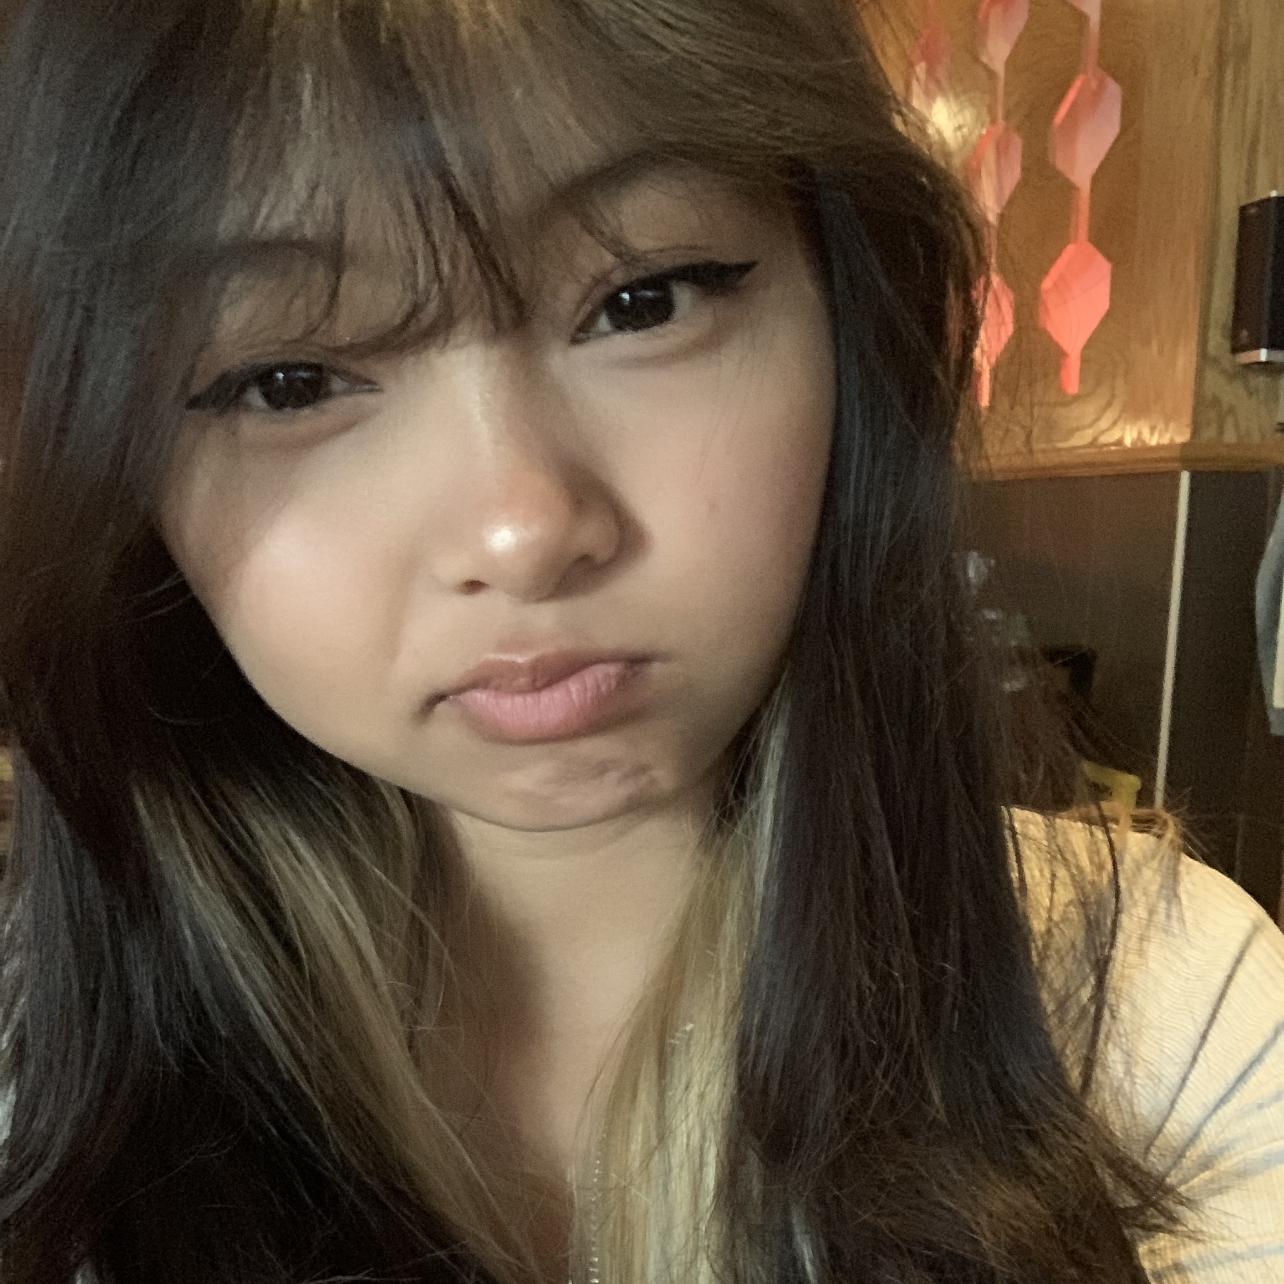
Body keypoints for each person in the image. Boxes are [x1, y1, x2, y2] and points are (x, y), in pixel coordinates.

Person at [0, 1, 1280, 1281]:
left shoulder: (1163, 1009)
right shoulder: (39, 1100)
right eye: (289, 381)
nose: (522, 531)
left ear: (851, 312)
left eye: (642, 300)